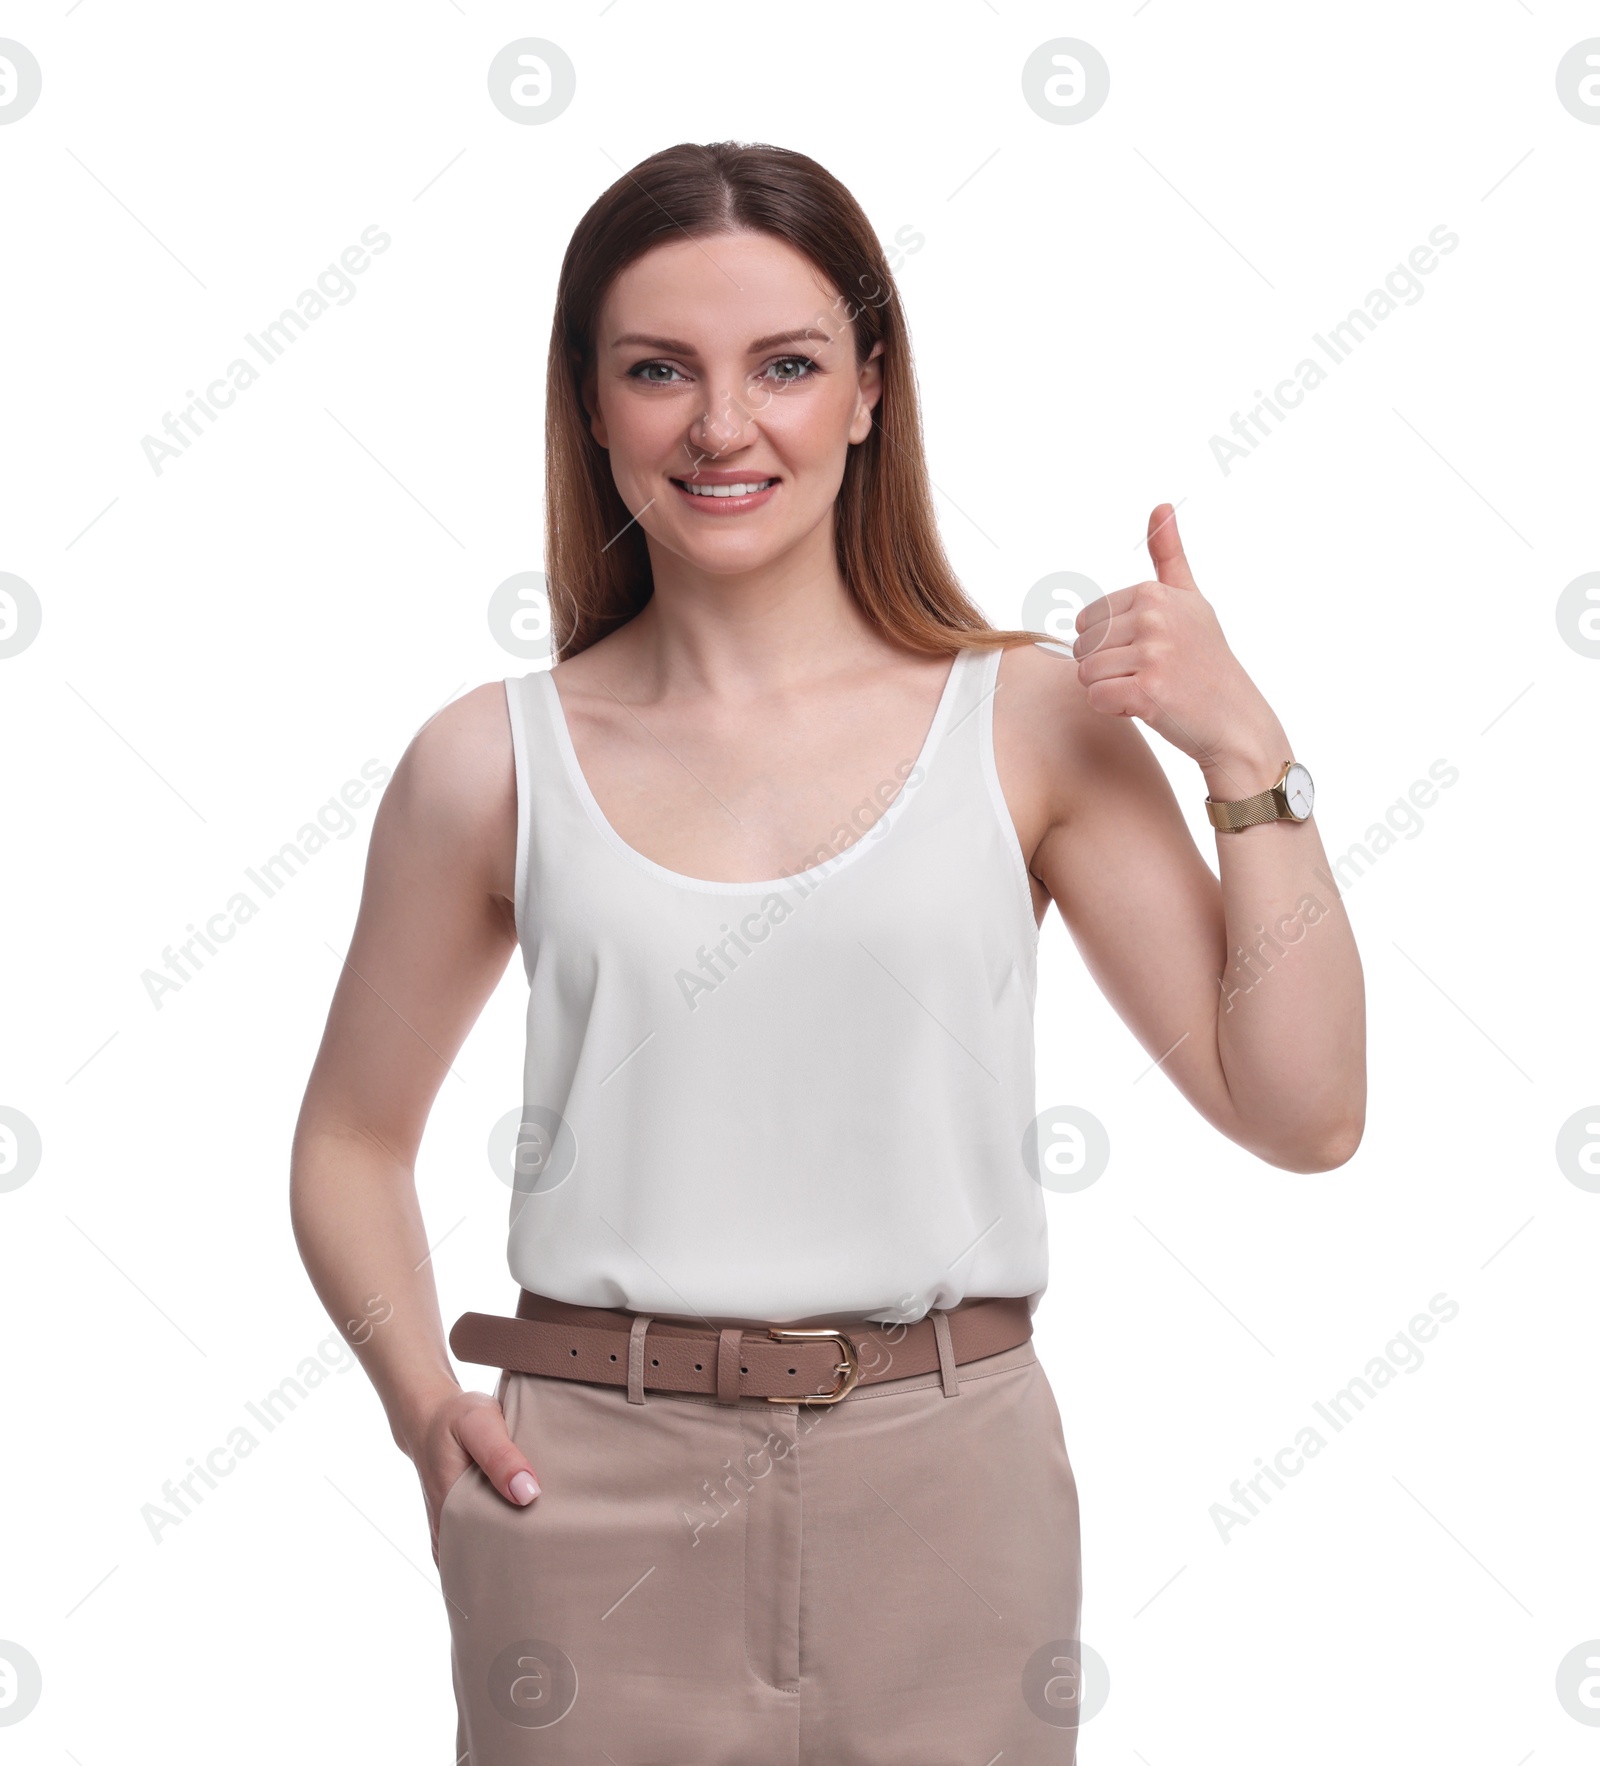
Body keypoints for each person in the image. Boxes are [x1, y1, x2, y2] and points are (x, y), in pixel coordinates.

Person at [289, 139, 1365, 1762]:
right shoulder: (485, 763)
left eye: (784, 365)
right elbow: (349, 1142)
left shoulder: (1036, 721)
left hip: (953, 1483)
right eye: (661, 370)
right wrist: (421, 1419)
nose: (724, 427)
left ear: (870, 389)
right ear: (591, 405)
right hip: (589, 1497)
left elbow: (1304, 1112)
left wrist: (1246, 756)